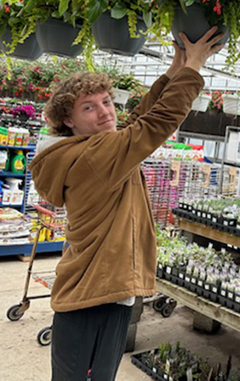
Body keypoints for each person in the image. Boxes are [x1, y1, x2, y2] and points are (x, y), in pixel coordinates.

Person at [29, 27, 225, 381]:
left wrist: (173, 70)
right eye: (89, 107)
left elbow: (134, 121)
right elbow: (154, 125)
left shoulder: (90, 148)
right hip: (92, 300)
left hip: (105, 291)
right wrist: (193, 67)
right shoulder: (93, 157)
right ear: (68, 121)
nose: (105, 112)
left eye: (106, 101)